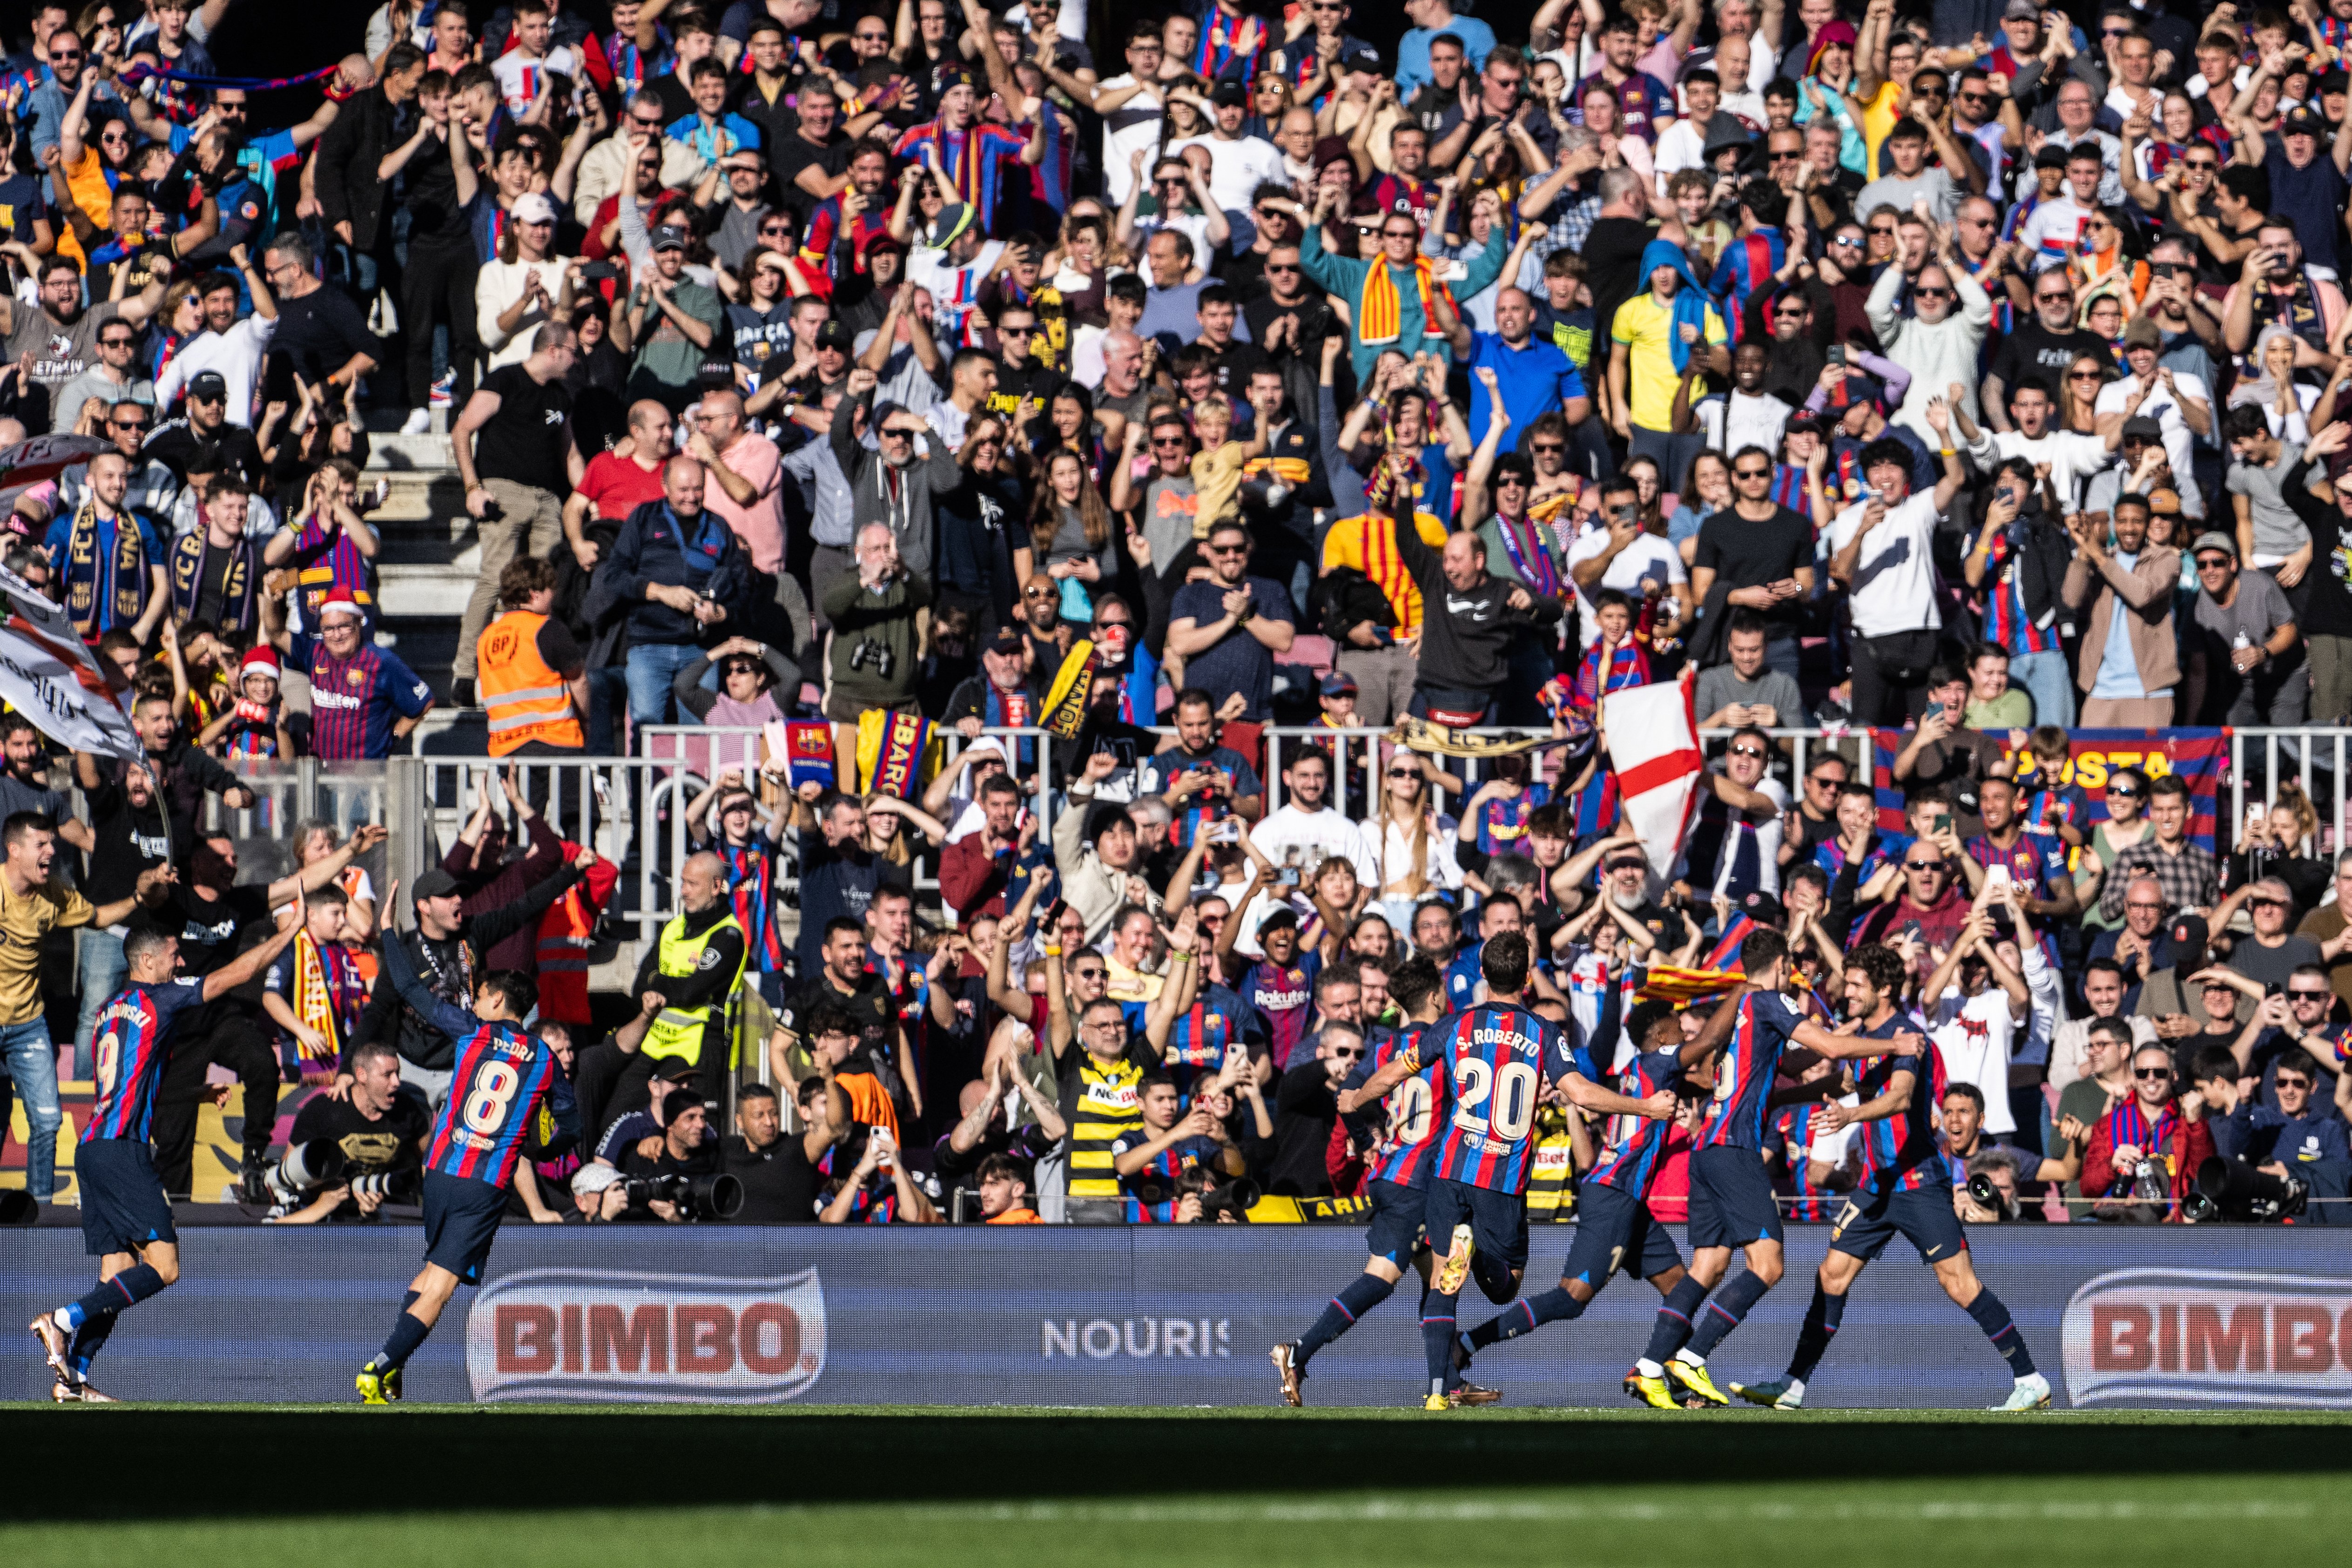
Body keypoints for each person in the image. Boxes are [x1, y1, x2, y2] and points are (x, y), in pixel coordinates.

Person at [1343, 932, 1663, 1409]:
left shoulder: (1454, 1025)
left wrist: (1355, 1099)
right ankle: (1474, 1282)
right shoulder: (1542, 1032)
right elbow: (1580, 1092)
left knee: (1441, 1282)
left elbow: (1394, 1072)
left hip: (1449, 1170)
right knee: (1504, 1286)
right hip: (1501, 1178)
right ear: (1528, 974)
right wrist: (1646, 1106)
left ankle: (1436, 1393)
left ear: (1483, 974)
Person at [1727, 943, 2051, 1411]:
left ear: (1883, 989)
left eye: (1857, 985)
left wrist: (1849, 1117)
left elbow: (1900, 1098)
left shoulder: (1907, 1037)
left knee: (1958, 1283)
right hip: (1876, 1185)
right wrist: (1785, 1099)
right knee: (1831, 1275)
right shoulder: (1867, 1035)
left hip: (1918, 1182)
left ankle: (2029, 1378)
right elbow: (1846, 1082)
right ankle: (1793, 1385)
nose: (1847, 992)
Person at [29, 906, 301, 1402]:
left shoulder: (110, 1009)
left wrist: (195, 1094)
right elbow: (234, 975)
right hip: (121, 1153)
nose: (181, 964)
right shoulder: (160, 999)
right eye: (175, 956)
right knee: (165, 1268)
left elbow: (130, 1086)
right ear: (150, 961)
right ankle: (61, 1320)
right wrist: (288, 933)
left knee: (115, 1276)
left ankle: (75, 1379)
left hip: (92, 1151)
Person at [354, 893, 554, 1403]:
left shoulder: (469, 1031)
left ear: (495, 1002)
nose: (477, 999)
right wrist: (551, 1149)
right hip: (484, 1183)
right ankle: (379, 1368)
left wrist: (388, 934)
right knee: (442, 1286)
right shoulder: (544, 1058)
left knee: (429, 1272)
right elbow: (566, 1128)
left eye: (482, 994)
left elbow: (404, 986)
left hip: (440, 1171)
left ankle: (393, 1371)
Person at [1444, 997, 1703, 1390]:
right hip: (1614, 1193)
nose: (1684, 1027)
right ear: (1661, 1034)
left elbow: (1704, 1078)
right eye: (1676, 1021)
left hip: (1628, 1199)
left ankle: (1672, 1382)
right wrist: (1743, 997)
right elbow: (1712, 1039)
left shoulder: (1641, 1069)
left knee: (1681, 1288)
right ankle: (1464, 1343)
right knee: (1571, 1298)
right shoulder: (1660, 1062)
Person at [1272, 956, 1447, 1401]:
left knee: (1437, 1278)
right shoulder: (1445, 1043)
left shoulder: (1386, 1050)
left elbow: (1347, 1100)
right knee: (1386, 1278)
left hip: (1393, 1173)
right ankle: (1300, 1351)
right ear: (1434, 995)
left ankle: (1446, 1383)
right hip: (1420, 1178)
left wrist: (1365, 1140)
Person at [450, 319, 583, 705]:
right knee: (494, 580)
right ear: (554, 349)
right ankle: (464, 672)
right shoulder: (505, 380)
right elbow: (462, 431)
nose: (577, 361)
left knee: (544, 587)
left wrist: (589, 495)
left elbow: (570, 453)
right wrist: (473, 487)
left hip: (548, 500)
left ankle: (535, 663)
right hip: (504, 493)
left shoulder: (560, 395)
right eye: (572, 352)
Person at [1165, 518, 1297, 723]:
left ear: (1249, 548)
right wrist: (1228, 622)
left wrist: (1247, 617)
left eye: (1238, 548)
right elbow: (1180, 644)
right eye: (1222, 550)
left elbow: (1284, 641)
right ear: (1208, 551)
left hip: (1255, 717)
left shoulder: (1270, 590)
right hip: (1202, 721)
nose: (1231, 556)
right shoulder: (1191, 593)